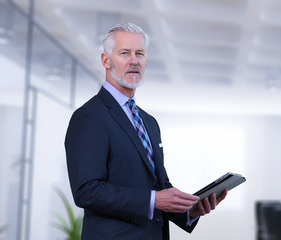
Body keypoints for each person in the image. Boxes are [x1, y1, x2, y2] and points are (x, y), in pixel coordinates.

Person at [64, 22, 227, 240]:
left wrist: (189, 211)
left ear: (146, 62)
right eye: (124, 53)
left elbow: (159, 187)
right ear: (106, 60)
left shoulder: (149, 122)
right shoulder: (90, 116)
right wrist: (153, 200)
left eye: (139, 53)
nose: (134, 60)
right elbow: (87, 190)